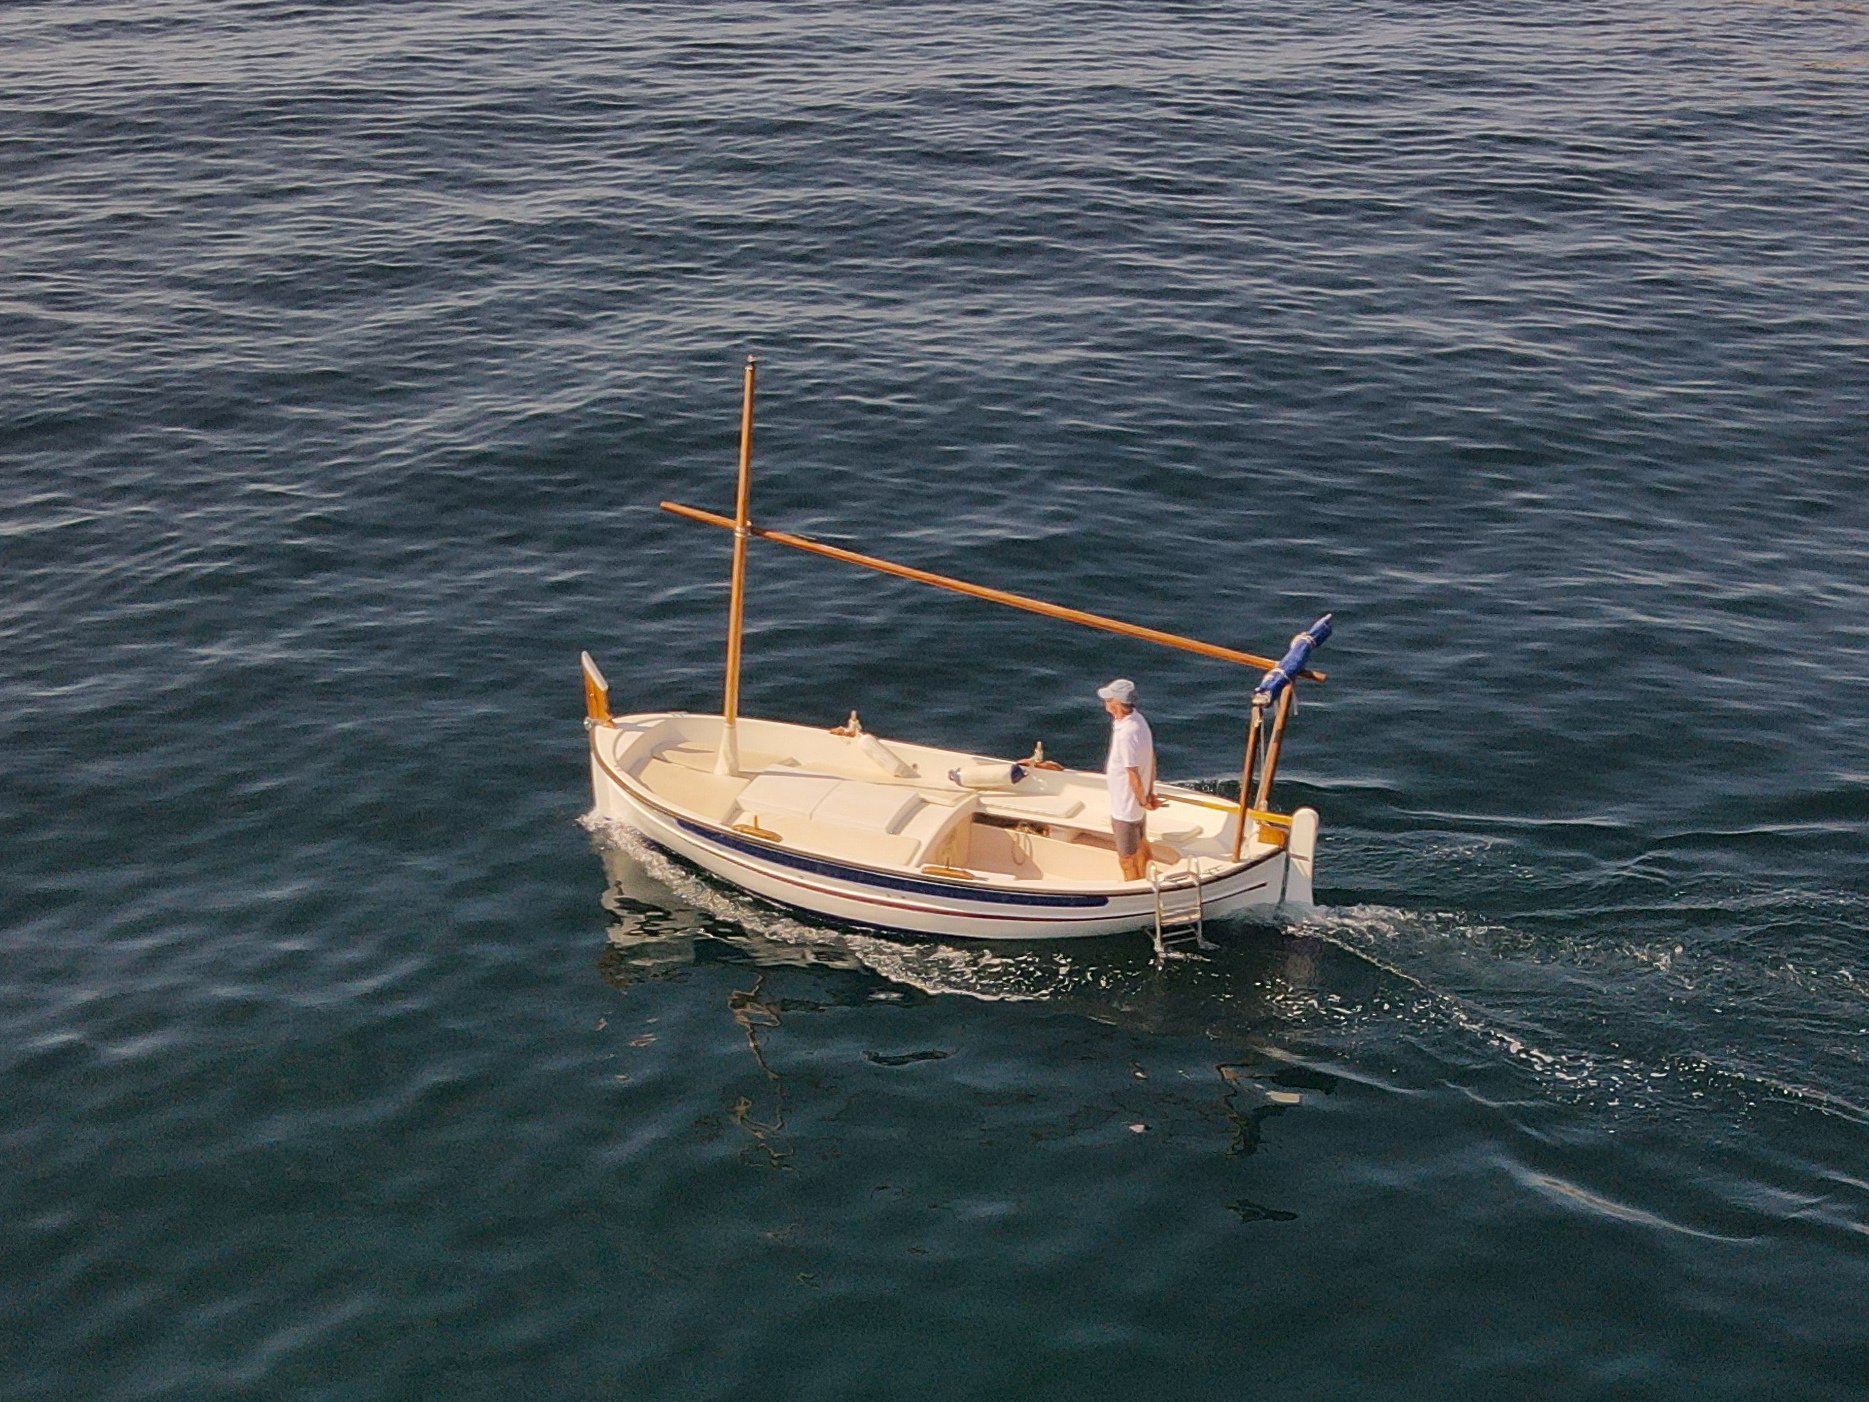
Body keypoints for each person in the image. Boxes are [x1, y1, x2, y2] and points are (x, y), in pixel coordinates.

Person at [1098, 678, 1163, 881]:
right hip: (1135, 804)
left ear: (1117, 703)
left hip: (1124, 809)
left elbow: (1132, 773)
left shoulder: (1126, 733)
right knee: (1141, 844)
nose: (1105, 702)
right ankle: (1147, 879)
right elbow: (1151, 757)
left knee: (1127, 858)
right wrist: (1147, 794)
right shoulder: (1138, 721)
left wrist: (1143, 800)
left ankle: (1135, 888)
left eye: (1109, 698)